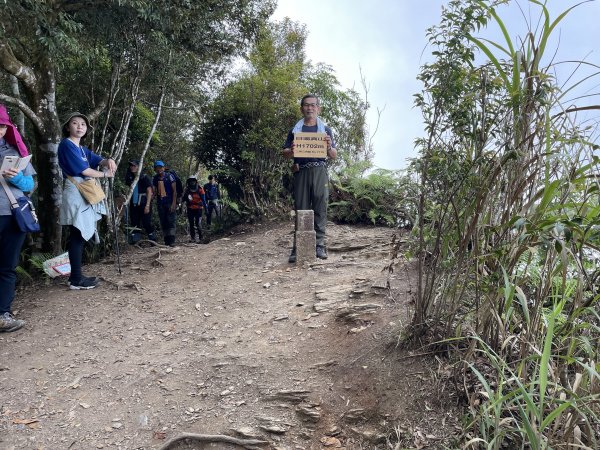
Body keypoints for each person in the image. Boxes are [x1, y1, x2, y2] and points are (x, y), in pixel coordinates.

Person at [58, 112, 116, 290]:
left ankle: (76, 276)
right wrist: (105, 174)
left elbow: (98, 159)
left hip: (83, 192)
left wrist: (109, 160)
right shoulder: (66, 145)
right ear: (68, 127)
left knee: (79, 235)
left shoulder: (82, 149)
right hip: (76, 191)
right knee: (77, 234)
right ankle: (76, 279)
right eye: (75, 123)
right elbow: (85, 171)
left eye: (83, 124)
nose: (79, 126)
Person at [282, 94, 337, 263]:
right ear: (302, 108)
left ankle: (319, 245)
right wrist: (291, 150)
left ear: (318, 108)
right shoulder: (295, 130)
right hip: (301, 171)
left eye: (313, 105)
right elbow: (285, 153)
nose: (310, 108)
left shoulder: (325, 130)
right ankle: (298, 247)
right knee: (301, 209)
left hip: (319, 170)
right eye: (306, 105)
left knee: (321, 206)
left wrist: (328, 147)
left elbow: (333, 155)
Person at [0, 104, 35, 331]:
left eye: (2, 125)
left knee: (7, 266)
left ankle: (3, 315)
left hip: (13, 215)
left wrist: (17, 180)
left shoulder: (14, 151)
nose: (0, 130)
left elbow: (31, 185)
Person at [125, 159, 155, 243]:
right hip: (133, 204)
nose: (132, 167)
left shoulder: (144, 177)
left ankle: (152, 240)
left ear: (139, 167)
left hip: (144, 202)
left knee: (147, 222)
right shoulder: (129, 177)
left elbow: (149, 191)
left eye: (134, 165)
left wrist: (147, 205)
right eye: (131, 165)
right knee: (134, 222)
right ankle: (136, 242)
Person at [152, 160, 177, 246]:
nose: (159, 169)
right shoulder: (155, 178)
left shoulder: (170, 176)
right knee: (163, 221)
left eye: (160, 167)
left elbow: (174, 191)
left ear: (164, 167)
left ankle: (172, 241)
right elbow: (154, 191)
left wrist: (174, 203)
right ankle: (166, 241)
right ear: (155, 169)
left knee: (171, 221)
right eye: (157, 168)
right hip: (160, 203)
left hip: (169, 201)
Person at [181, 177, 207, 243]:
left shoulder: (200, 190)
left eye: (193, 181)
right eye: (190, 181)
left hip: (199, 209)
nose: (192, 183)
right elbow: (183, 199)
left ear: (196, 182)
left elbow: (204, 200)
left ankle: (201, 238)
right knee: (191, 224)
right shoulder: (187, 190)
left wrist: (206, 210)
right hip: (190, 209)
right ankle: (193, 238)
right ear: (188, 182)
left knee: (198, 223)